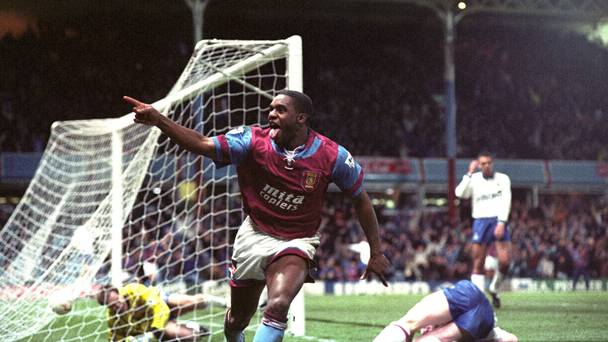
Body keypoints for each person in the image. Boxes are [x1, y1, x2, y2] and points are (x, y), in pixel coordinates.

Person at [124, 90, 390, 342]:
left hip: (297, 240)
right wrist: (159, 120)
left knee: (278, 304)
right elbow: (203, 143)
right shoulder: (251, 140)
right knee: (238, 319)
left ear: (301, 118)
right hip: (254, 234)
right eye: (270, 109)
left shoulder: (332, 155)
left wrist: (376, 252)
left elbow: (361, 200)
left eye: (280, 109)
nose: (271, 113)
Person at [373, 280, 518, 342]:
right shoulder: (488, 331)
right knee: (413, 329)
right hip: (478, 310)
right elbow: (512, 339)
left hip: (470, 300)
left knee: (407, 324)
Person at [455, 152, 511, 308]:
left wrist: (502, 222)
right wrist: (469, 173)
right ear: (479, 165)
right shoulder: (474, 179)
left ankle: (494, 287)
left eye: (489, 163)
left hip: (498, 220)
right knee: (478, 262)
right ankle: (480, 301)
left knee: (505, 261)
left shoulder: (503, 178)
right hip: (480, 221)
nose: (486, 166)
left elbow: (507, 200)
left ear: (493, 163)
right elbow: (459, 193)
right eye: (483, 163)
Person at [96, 282, 221, 341]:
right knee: (191, 337)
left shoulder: (134, 290)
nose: (118, 306)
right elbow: (116, 339)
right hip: (157, 327)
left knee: (192, 302)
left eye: (117, 300)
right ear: (108, 306)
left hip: (163, 306)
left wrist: (153, 330)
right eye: (112, 306)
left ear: (119, 293)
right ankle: (192, 327)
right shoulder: (113, 320)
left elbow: (159, 307)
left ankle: (222, 302)